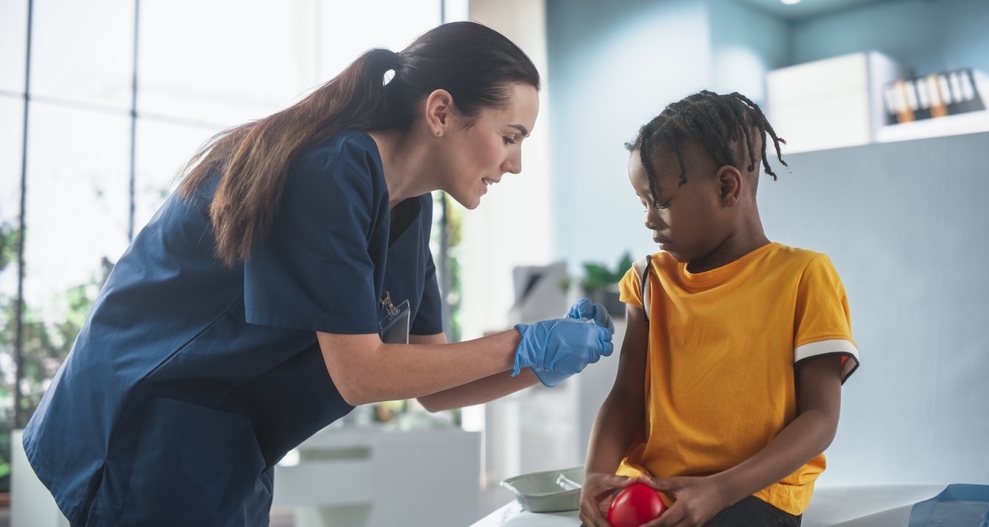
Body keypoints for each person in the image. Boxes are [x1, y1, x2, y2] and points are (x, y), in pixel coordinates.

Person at [23, 22, 615, 526]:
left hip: (224, 440)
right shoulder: (331, 170)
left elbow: (435, 388)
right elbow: (361, 373)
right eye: (510, 137)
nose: (515, 163)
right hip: (144, 424)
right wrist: (521, 343)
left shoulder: (408, 207)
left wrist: (539, 362)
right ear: (440, 111)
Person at [579, 91, 859, 527]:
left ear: (727, 187)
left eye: (662, 201)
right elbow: (626, 397)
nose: (649, 219)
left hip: (753, 491)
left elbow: (820, 417)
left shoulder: (805, 276)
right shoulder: (648, 281)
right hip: (652, 488)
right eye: (643, 204)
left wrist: (721, 489)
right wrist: (595, 477)